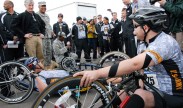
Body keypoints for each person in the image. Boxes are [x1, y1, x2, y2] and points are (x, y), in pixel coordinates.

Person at [74, 7, 183, 108]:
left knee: (140, 94)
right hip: (153, 90)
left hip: (173, 95)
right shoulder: (143, 43)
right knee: (122, 93)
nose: (133, 31)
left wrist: (97, 73)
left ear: (145, 28)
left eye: (135, 26)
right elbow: (140, 71)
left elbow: (134, 64)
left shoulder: (164, 42)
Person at [37, 1, 54, 69]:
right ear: (39, 7)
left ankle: (48, 66)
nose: (44, 7)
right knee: (42, 53)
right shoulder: (36, 15)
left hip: (48, 36)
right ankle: (42, 67)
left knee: (49, 51)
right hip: (41, 37)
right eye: (42, 6)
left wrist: (52, 31)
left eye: (45, 6)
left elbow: (48, 25)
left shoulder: (47, 15)